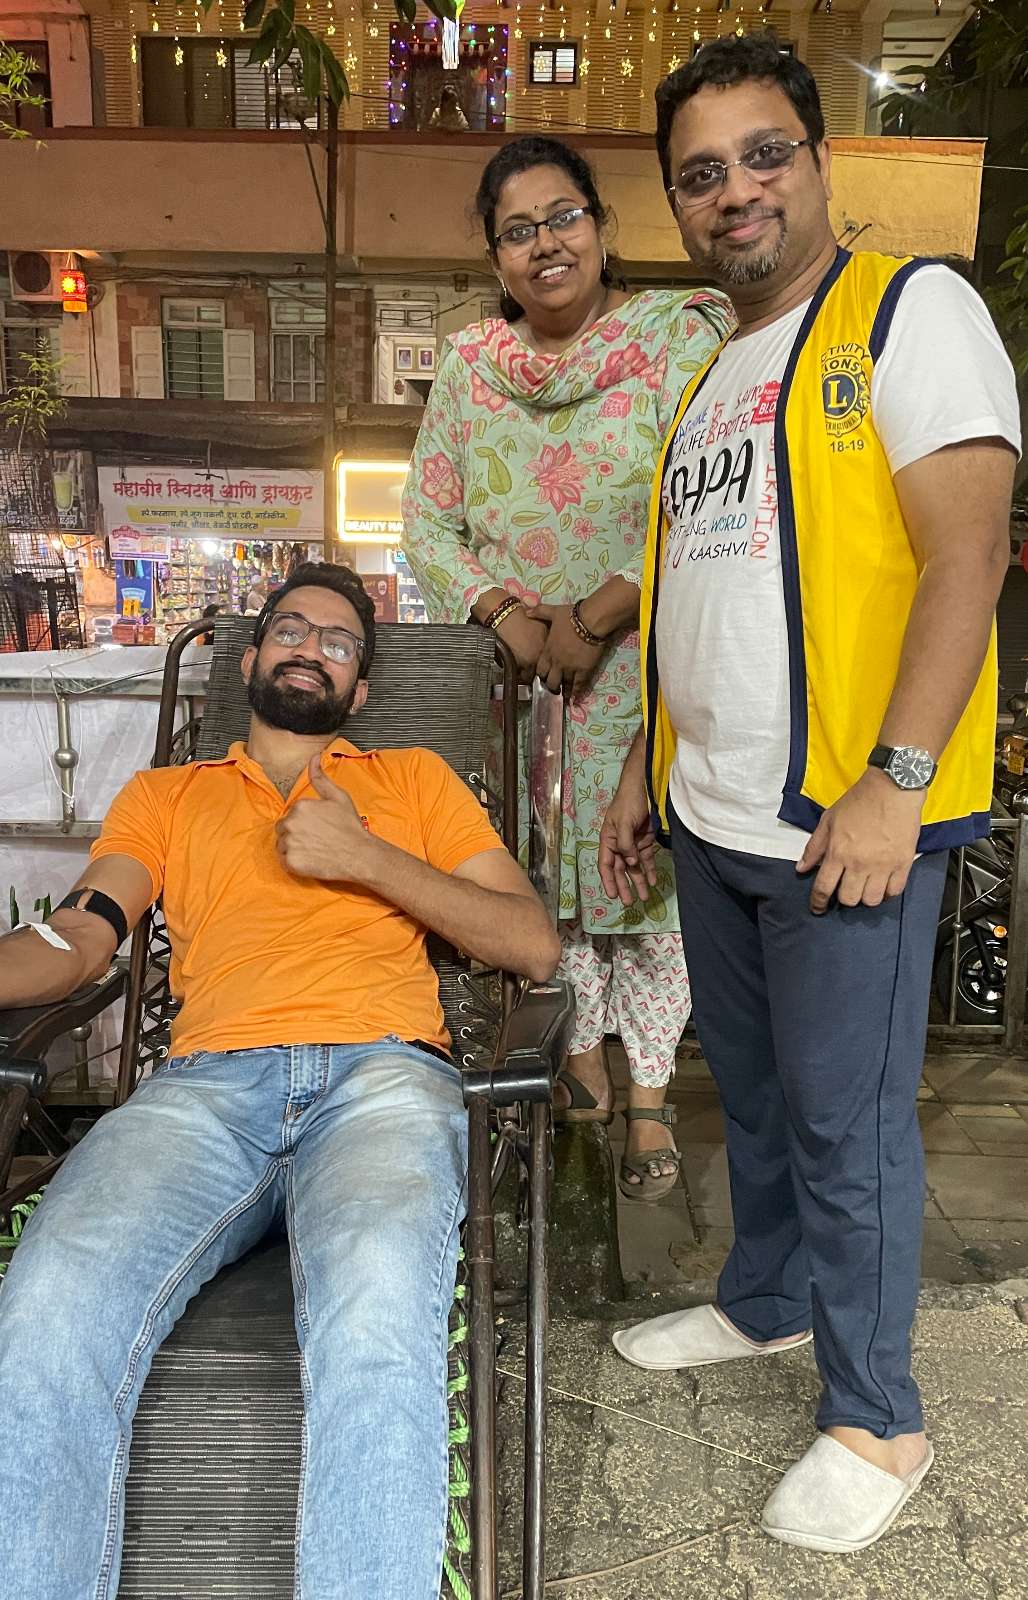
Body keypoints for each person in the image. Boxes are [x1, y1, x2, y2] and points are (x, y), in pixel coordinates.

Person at [599, 34, 1019, 1551]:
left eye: (765, 153)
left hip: (847, 824)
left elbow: (967, 557)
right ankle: (767, 1298)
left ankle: (877, 1418)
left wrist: (893, 785)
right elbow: (695, 595)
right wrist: (646, 768)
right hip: (716, 816)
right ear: (676, 203)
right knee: (761, 1100)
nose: (736, 191)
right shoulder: (715, 375)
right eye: (700, 174)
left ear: (822, 160)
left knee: (849, 1126)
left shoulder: (911, 310)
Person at [0, 562, 560, 1598]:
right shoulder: (168, 795)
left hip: (383, 1077)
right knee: (47, 1302)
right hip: (204, 1090)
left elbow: (530, 942)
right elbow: (81, 938)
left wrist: (365, 856)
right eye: (290, 628)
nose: (311, 646)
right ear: (252, 659)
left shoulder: (414, 782)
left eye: (339, 641)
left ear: (358, 689)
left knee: (378, 1313)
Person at [402, 136, 733, 1200]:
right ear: (494, 258)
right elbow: (427, 524)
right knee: (549, 883)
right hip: (524, 685)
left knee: (647, 884)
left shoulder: (677, 339)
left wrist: (596, 615)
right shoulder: (469, 367)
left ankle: (650, 1095)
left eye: (562, 217)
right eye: (517, 231)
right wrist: (506, 615)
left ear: (599, 224)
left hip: (649, 666)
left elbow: (712, 493)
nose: (544, 244)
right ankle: (582, 1063)